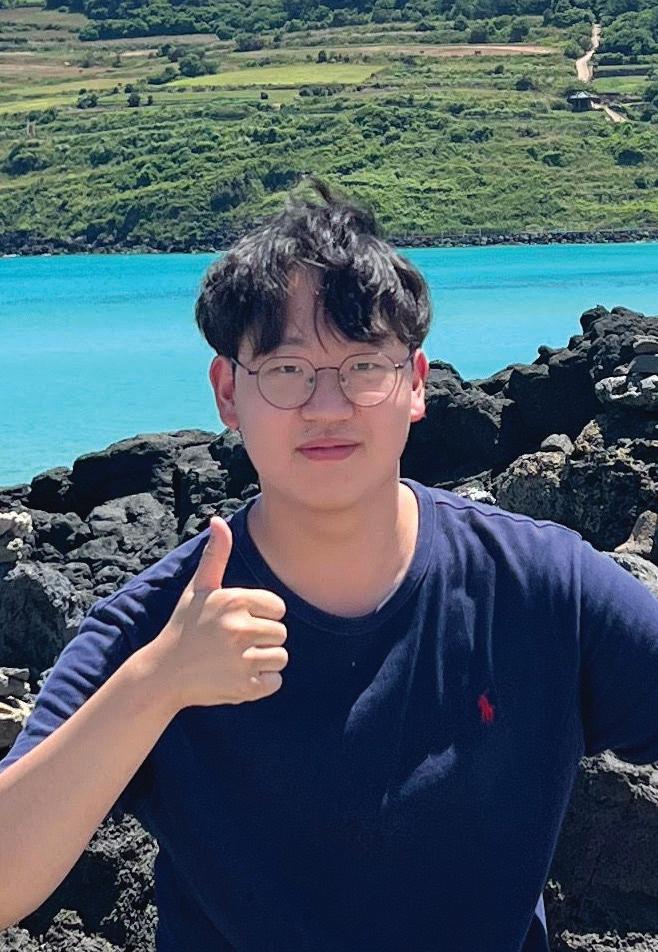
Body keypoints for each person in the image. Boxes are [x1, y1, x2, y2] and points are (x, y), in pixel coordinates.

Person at [1, 176, 658, 952]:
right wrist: (156, 686)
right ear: (227, 392)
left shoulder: (540, 588)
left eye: (364, 367)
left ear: (415, 385)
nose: (327, 406)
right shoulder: (161, 628)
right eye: (286, 370)